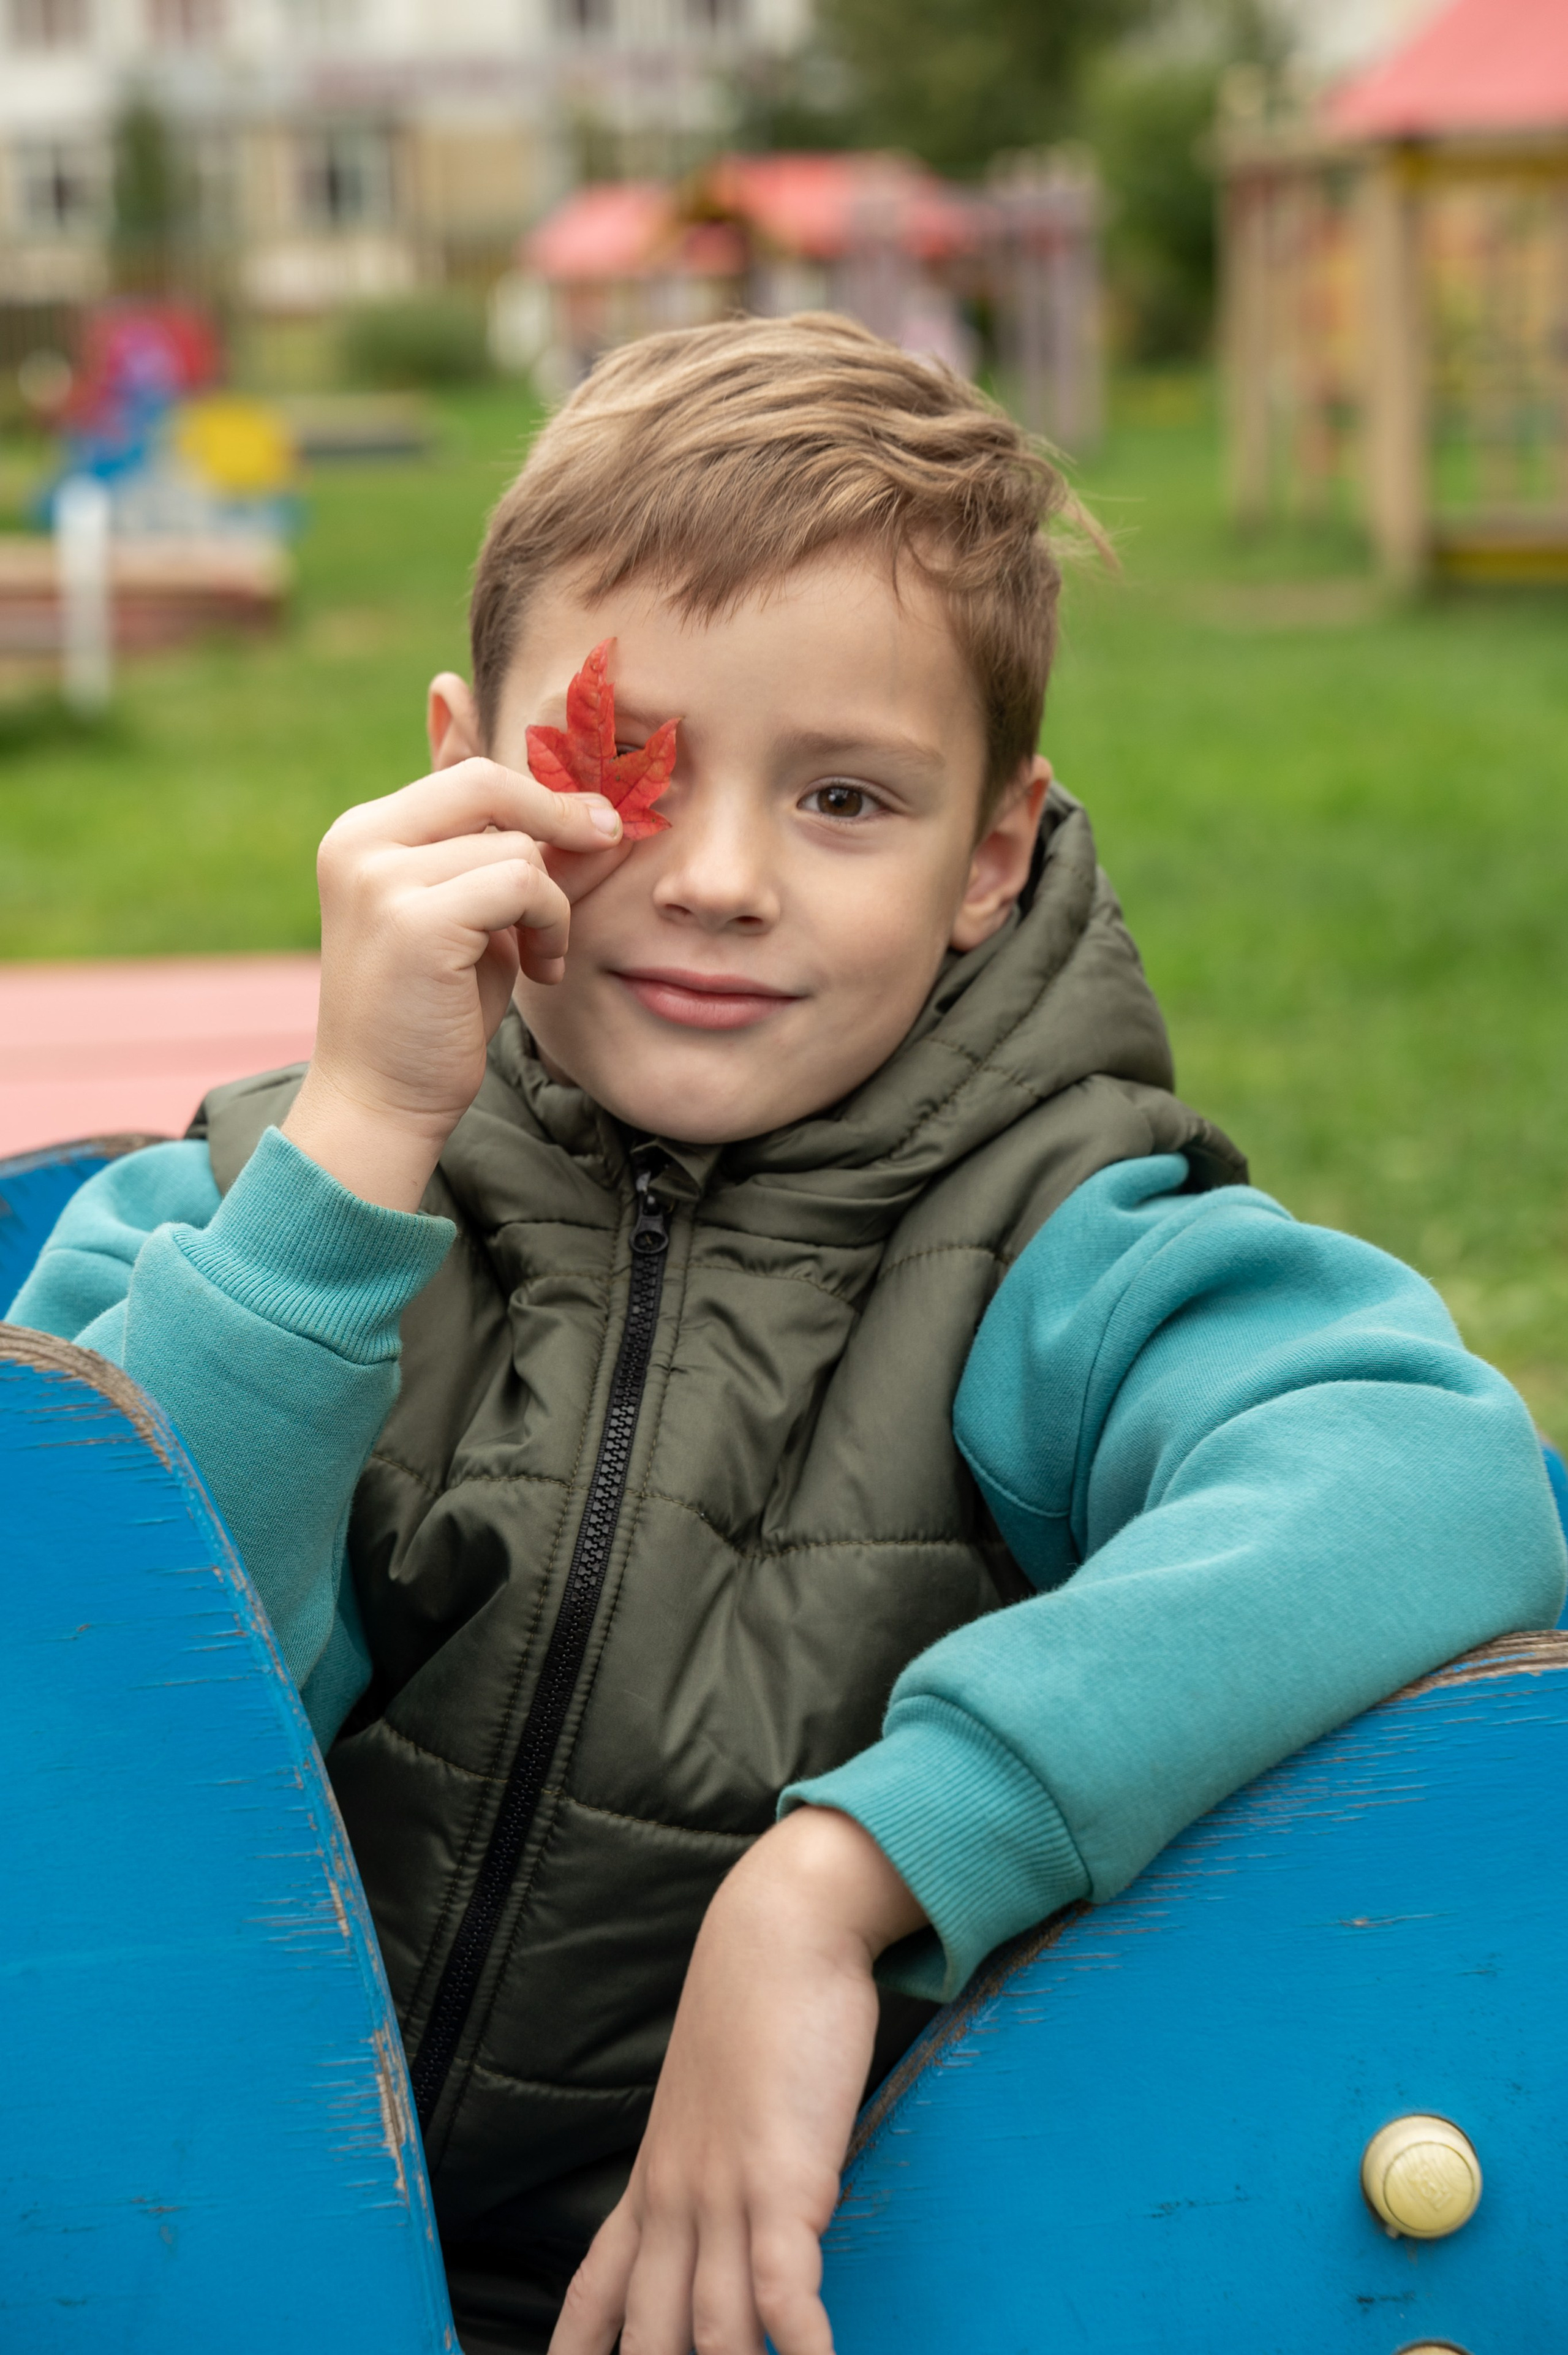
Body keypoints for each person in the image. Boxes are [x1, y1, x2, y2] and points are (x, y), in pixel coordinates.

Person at [11, 314, 1565, 2355]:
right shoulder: (230, 1209)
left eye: (846, 796)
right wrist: (352, 1158)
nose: (724, 879)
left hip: (784, 2296)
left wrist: (845, 1872)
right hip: (171, 2258)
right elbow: (91, 1681)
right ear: (459, 754)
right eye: (620, 768)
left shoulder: (1060, 1251)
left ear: (989, 857)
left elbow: (1436, 1474)